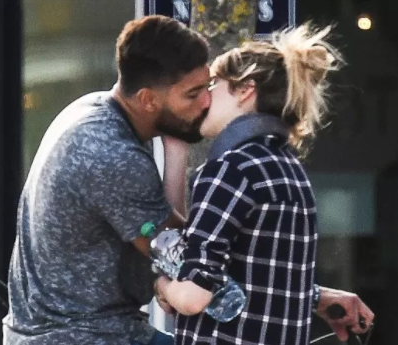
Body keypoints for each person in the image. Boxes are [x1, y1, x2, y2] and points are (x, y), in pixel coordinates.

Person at [154, 23, 375, 345]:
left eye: (215, 84)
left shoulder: (230, 169)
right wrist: (315, 297)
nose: (204, 98)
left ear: (245, 89)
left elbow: (192, 296)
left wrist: (162, 287)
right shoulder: (291, 172)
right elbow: (262, 275)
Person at [3, 15, 210, 345]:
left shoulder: (92, 109)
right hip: (80, 336)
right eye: (192, 94)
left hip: (67, 330)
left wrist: (176, 150)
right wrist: (308, 297)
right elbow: (184, 260)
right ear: (147, 99)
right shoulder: (111, 154)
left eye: (209, 88)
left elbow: (163, 235)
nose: (206, 103)